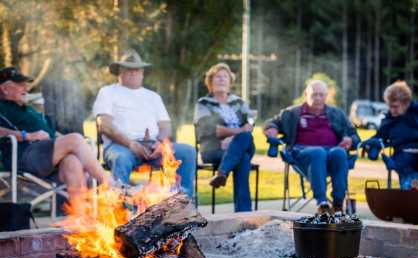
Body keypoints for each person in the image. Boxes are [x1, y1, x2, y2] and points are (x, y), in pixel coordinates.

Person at [93, 49, 196, 198]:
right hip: (121, 147)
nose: (133, 73)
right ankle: (122, 209)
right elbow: (104, 125)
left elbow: (165, 125)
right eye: (128, 69)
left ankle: (184, 203)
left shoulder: (153, 96)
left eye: (137, 70)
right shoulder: (108, 92)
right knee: (121, 158)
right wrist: (130, 144)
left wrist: (161, 143)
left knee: (187, 152)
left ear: (142, 73)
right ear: (119, 72)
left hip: (153, 146)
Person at [0, 67, 110, 201]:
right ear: (5, 89)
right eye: (20, 85)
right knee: (75, 138)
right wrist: (27, 136)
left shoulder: (28, 109)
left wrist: (65, 142)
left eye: (25, 85)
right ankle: (110, 185)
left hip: (45, 155)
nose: (26, 89)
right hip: (24, 155)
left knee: (72, 162)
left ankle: (79, 215)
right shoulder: (2, 107)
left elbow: (50, 134)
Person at [264, 80, 360, 214]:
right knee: (318, 152)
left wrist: (349, 140)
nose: (318, 98)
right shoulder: (292, 113)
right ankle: (322, 203)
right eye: (314, 94)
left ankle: (338, 204)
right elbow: (271, 122)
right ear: (306, 94)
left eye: (321, 95)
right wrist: (272, 128)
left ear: (326, 96)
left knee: (339, 153)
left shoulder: (337, 113)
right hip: (301, 153)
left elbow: (354, 135)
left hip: (331, 153)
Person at [362, 80, 418, 190]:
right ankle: (413, 187)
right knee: (406, 164)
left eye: (395, 106)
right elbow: (379, 137)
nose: (392, 110)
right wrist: (370, 145)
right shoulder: (389, 120)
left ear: (406, 103)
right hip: (404, 155)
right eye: (390, 106)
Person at [194, 63, 256, 212]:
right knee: (242, 159)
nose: (221, 80)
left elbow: (250, 123)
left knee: (245, 138)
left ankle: (222, 173)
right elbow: (212, 129)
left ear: (230, 81)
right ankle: (244, 214)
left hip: (239, 145)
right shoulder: (203, 103)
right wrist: (238, 132)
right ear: (210, 81)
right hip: (214, 148)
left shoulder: (239, 102)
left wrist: (234, 138)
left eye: (225, 77)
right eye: (218, 77)